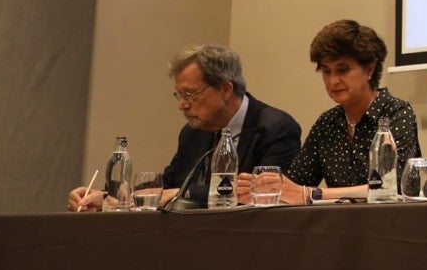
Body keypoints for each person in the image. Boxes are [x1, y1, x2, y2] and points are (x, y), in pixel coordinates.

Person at [67, 44, 302, 210]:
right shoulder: (192, 132)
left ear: (225, 89)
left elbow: (264, 195)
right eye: (179, 94)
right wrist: (109, 197)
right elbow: (168, 184)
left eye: (191, 93)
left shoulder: (275, 128)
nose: (182, 104)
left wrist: (178, 193)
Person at [254, 19, 421, 204]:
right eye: (326, 71)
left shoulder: (396, 113)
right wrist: (266, 189)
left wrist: (313, 194)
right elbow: (296, 183)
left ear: (369, 69)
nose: (333, 81)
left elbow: (391, 187)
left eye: (343, 70)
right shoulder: (327, 123)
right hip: (338, 226)